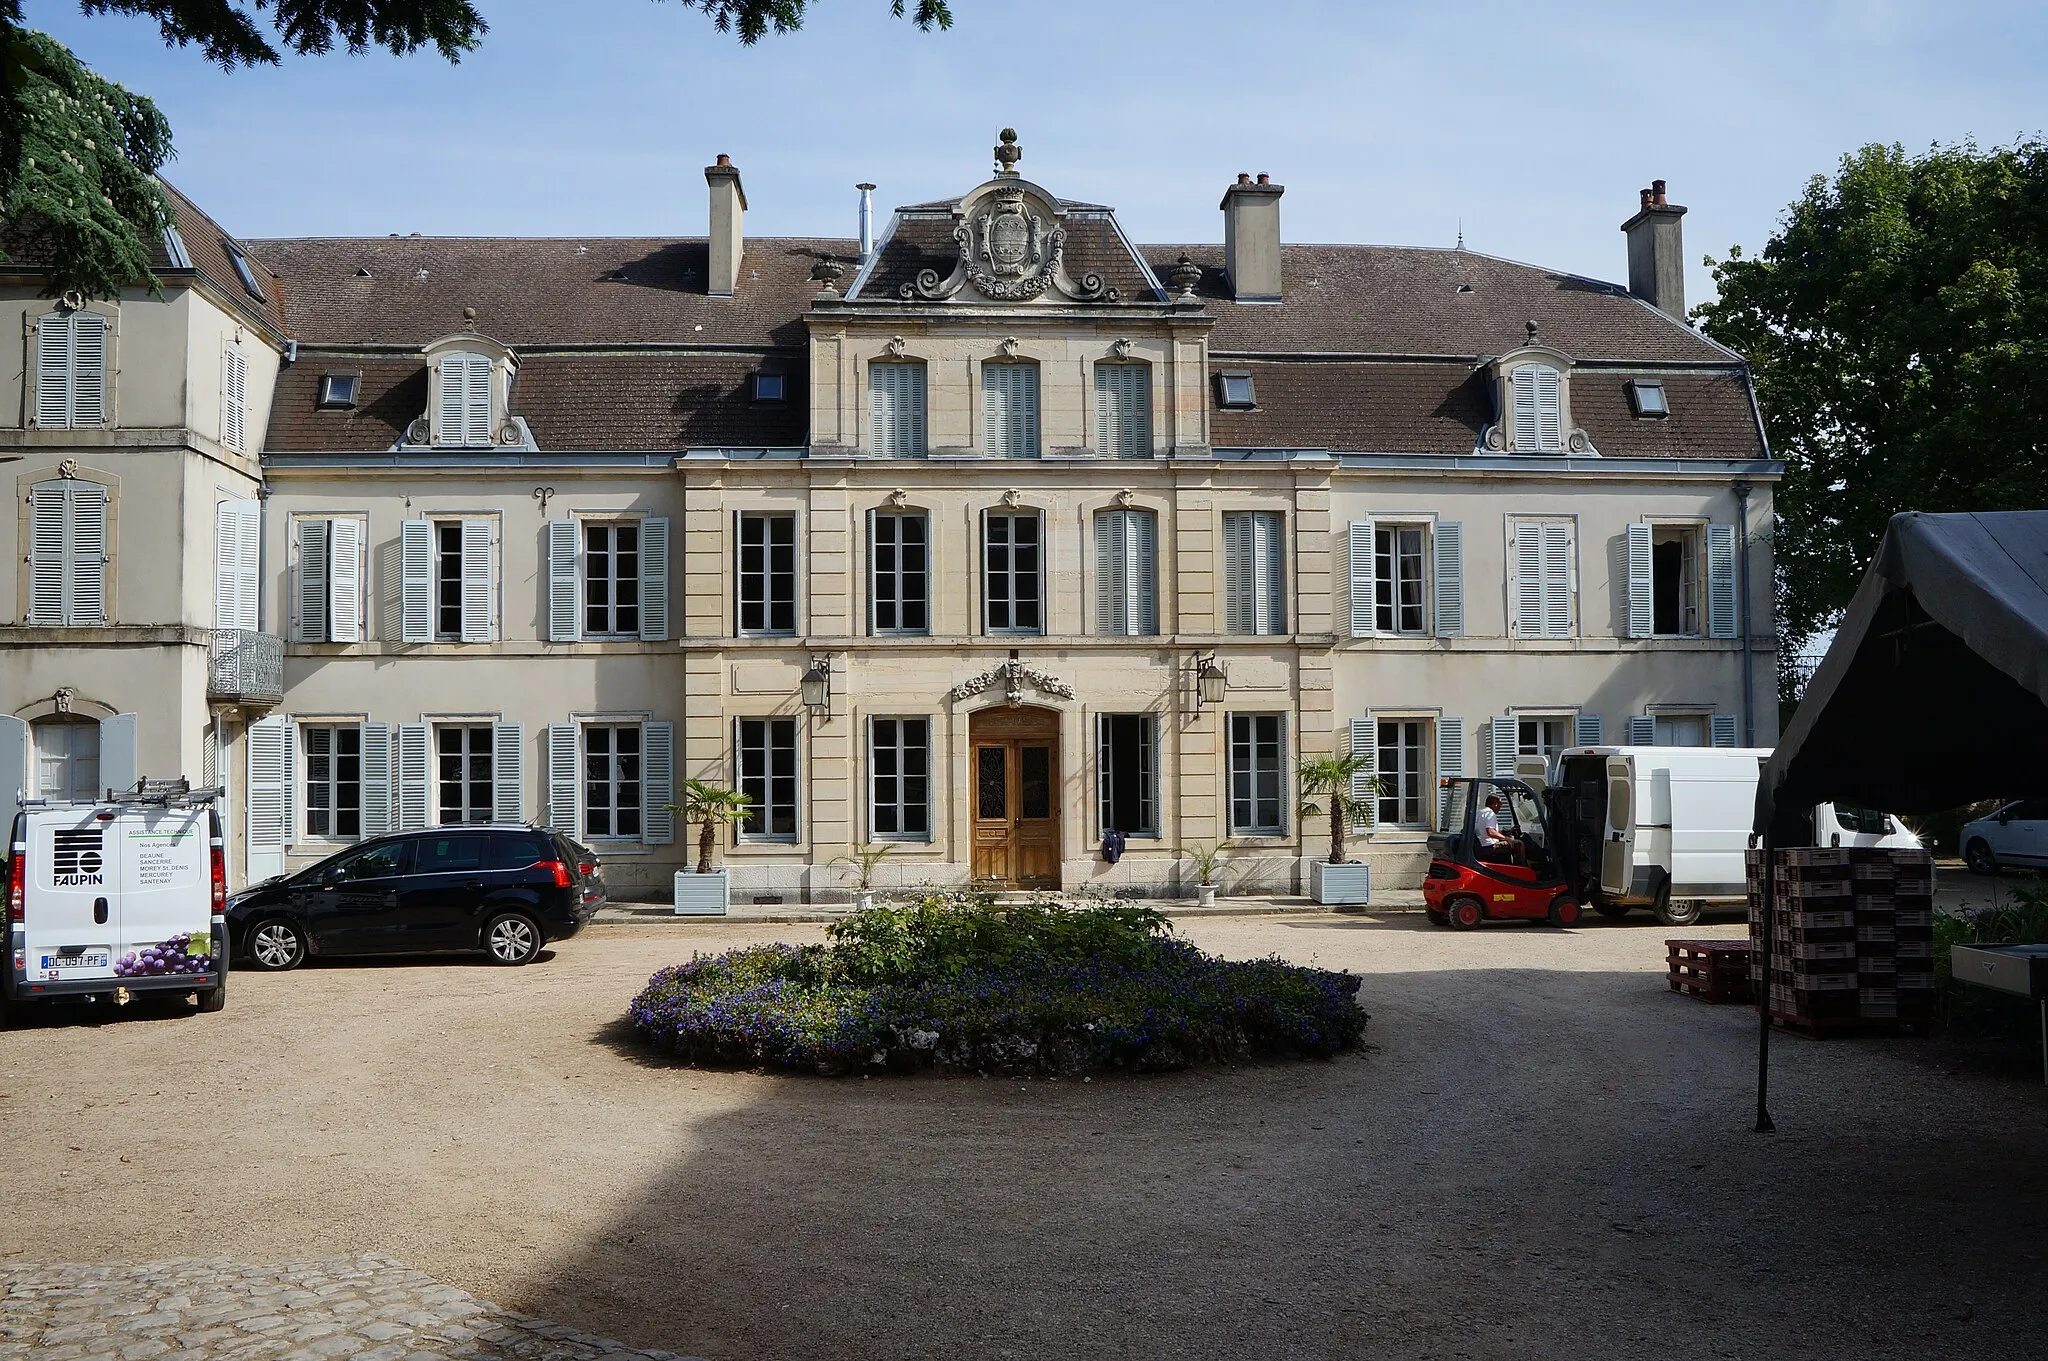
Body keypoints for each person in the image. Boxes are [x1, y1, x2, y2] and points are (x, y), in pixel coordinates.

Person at [1475, 792, 1526, 866]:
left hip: (1481, 846)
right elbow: (1490, 832)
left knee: (1510, 842)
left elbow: (1484, 831)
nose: (1500, 807)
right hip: (1489, 847)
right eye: (1500, 804)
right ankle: (1523, 869)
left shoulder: (1479, 812)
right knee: (1519, 844)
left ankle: (1509, 865)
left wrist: (1501, 832)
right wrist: (1507, 838)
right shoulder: (1490, 813)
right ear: (1495, 804)